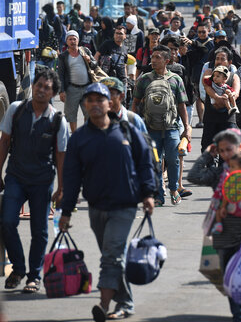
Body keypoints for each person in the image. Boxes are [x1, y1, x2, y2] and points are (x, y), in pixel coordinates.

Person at [59, 82, 156, 322]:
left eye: (99, 99)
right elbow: (71, 177)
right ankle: (126, 302)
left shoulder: (125, 130)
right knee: (113, 256)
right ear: (84, 105)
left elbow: (145, 162)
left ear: (109, 103)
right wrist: (66, 211)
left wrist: (149, 193)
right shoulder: (79, 138)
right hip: (96, 207)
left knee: (111, 256)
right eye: (89, 100)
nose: (94, 104)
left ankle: (102, 305)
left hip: (125, 206)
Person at [189, 129, 241, 322]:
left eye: (229, 149)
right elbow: (193, 176)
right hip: (223, 230)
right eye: (222, 150)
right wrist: (208, 154)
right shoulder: (219, 172)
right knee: (229, 274)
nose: (226, 154)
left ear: (240, 146)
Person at [0, 69, 68, 293]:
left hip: (42, 180)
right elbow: (4, 142)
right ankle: (18, 269)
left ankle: (33, 277)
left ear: (53, 93)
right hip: (16, 177)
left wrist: (61, 187)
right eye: (38, 85)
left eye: (46, 87)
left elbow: (61, 154)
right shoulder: (15, 110)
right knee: (8, 222)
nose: (41, 89)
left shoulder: (58, 120)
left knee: (40, 230)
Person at [132, 45, 192, 207]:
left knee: (173, 160)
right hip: (150, 129)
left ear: (167, 60)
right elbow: (135, 103)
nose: (153, 60)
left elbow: (182, 105)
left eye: (158, 57)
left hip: (171, 127)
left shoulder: (176, 79)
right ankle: (159, 195)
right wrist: (134, 125)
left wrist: (186, 127)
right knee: (155, 163)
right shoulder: (144, 79)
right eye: (153, 57)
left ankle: (173, 189)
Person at [201, 47, 240, 150]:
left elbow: (236, 93)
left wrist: (229, 97)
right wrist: (217, 97)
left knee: (228, 150)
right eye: (217, 58)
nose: (219, 61)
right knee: (207, 149)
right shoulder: (209, 73)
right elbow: (207, 87)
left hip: (228, 118)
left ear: (229, 62)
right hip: (211, 117)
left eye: (222, 59)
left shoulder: (234, 76)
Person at [57, 30, 94, 133]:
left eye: (74, 39)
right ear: (67, 41)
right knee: (71, 115)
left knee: (89, 113)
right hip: (71, 89)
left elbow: (95, 65)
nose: (73, 41)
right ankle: (75, 135)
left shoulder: (85, 51)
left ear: (78, 40)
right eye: (70, 39)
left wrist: (90, 60)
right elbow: (60, 74)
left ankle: (85, 134)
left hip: (87, 88)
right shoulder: (63, 56)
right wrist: (61, 91)